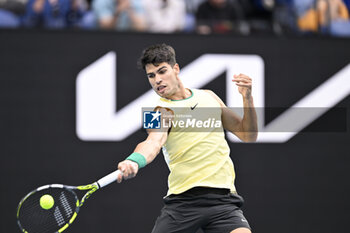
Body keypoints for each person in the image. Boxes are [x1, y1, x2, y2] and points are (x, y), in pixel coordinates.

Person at [117, 44, 258, 233]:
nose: (157, 80)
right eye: (151, 76)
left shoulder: (209, 97)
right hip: (183, 204)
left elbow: (248, 135)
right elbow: (152, 143)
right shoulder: (159, 111)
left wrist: (247, 98)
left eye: (162, 71)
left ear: (176, 69)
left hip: (223, 202)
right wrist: (134, 161)